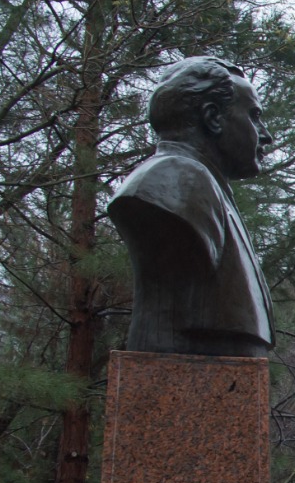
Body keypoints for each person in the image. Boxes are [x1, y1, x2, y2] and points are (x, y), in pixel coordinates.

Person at [108, 57, 275, 358]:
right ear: (213, 117)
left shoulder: (208, 187)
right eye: (254, 116)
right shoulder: (174, 182)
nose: (266, 135)